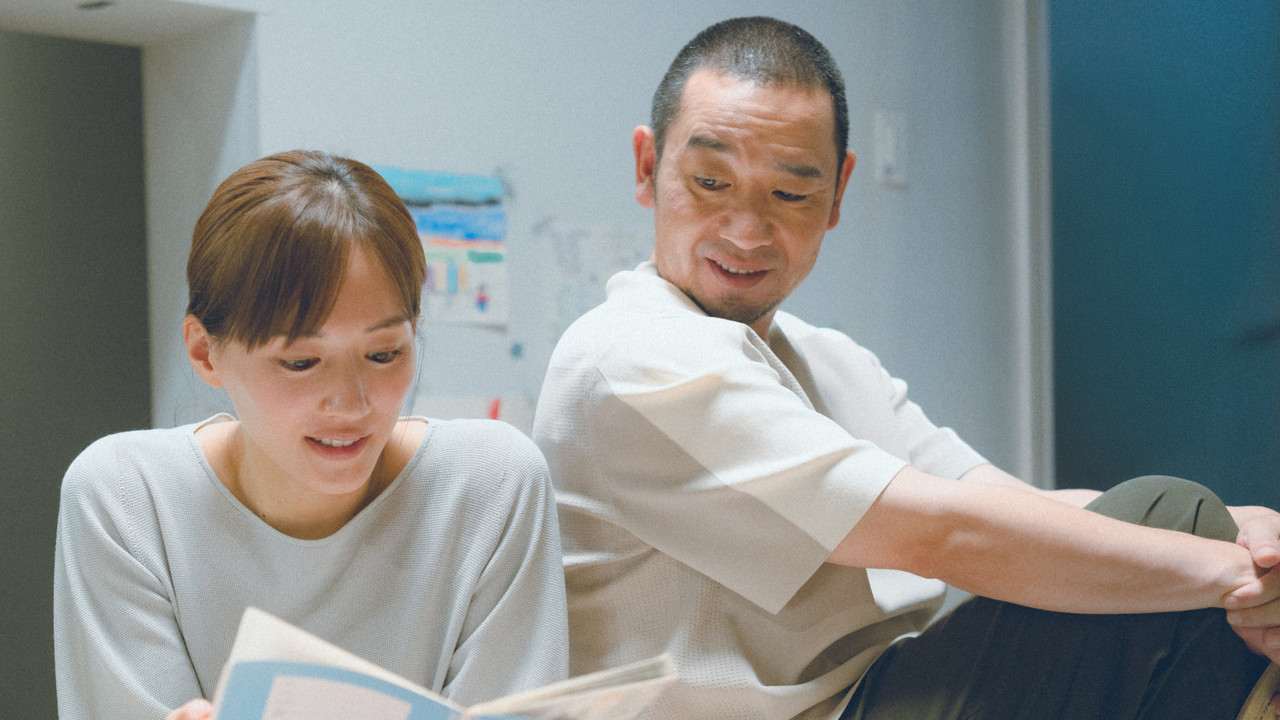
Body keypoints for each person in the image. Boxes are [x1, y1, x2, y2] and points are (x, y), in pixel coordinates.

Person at [532, 16, 1280, 720]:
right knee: (1171, 525)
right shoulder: (628, 353)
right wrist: (1231, 576)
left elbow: (1003, 501)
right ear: (647, 165)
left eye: (790, 193)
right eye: (710, 182)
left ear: (836, 194)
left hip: (875, 687)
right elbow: (943, 535)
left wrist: (1242, 535)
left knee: (1181, 531)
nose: (746, 230)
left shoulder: (828, 359)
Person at [54, 150, 569, 720]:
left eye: (383, 353)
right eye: (301, 362)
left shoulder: (492, 487)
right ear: (205, 352)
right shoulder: (126, 501)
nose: (352, 403)